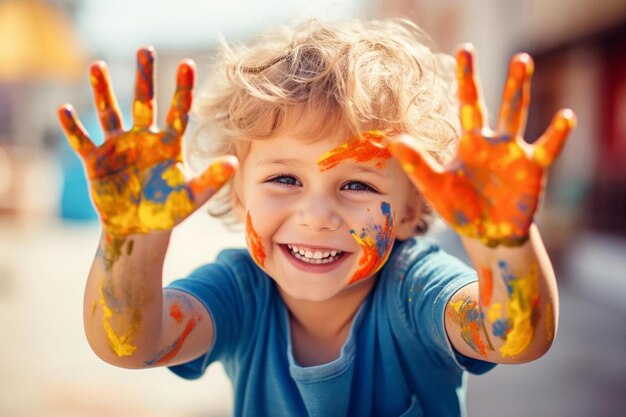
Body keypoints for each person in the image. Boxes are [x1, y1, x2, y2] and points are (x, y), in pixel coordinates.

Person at [58, 18, 575, 417]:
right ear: (237, 196)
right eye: (284, 179)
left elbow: (516, 339)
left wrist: (505, 244)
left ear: (413, 210)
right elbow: (129, 346)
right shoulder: (240, 292)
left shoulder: (415, 287)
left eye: (358, 184)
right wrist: (132, 241)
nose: (318, 215)